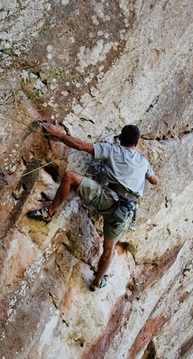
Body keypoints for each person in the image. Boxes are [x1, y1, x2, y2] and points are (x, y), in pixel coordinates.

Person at [27, 123, 159, 291]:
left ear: (120, 138)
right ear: (137, 143)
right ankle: (97, 282)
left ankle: (49, 212)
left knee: (69, 177)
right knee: (109, 248)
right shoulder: (143, 161)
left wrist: (59, 135)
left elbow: (82, 146)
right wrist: (145, 173)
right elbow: (155, 180)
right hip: (124, 211)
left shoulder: (112, 149)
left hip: (106, 198)